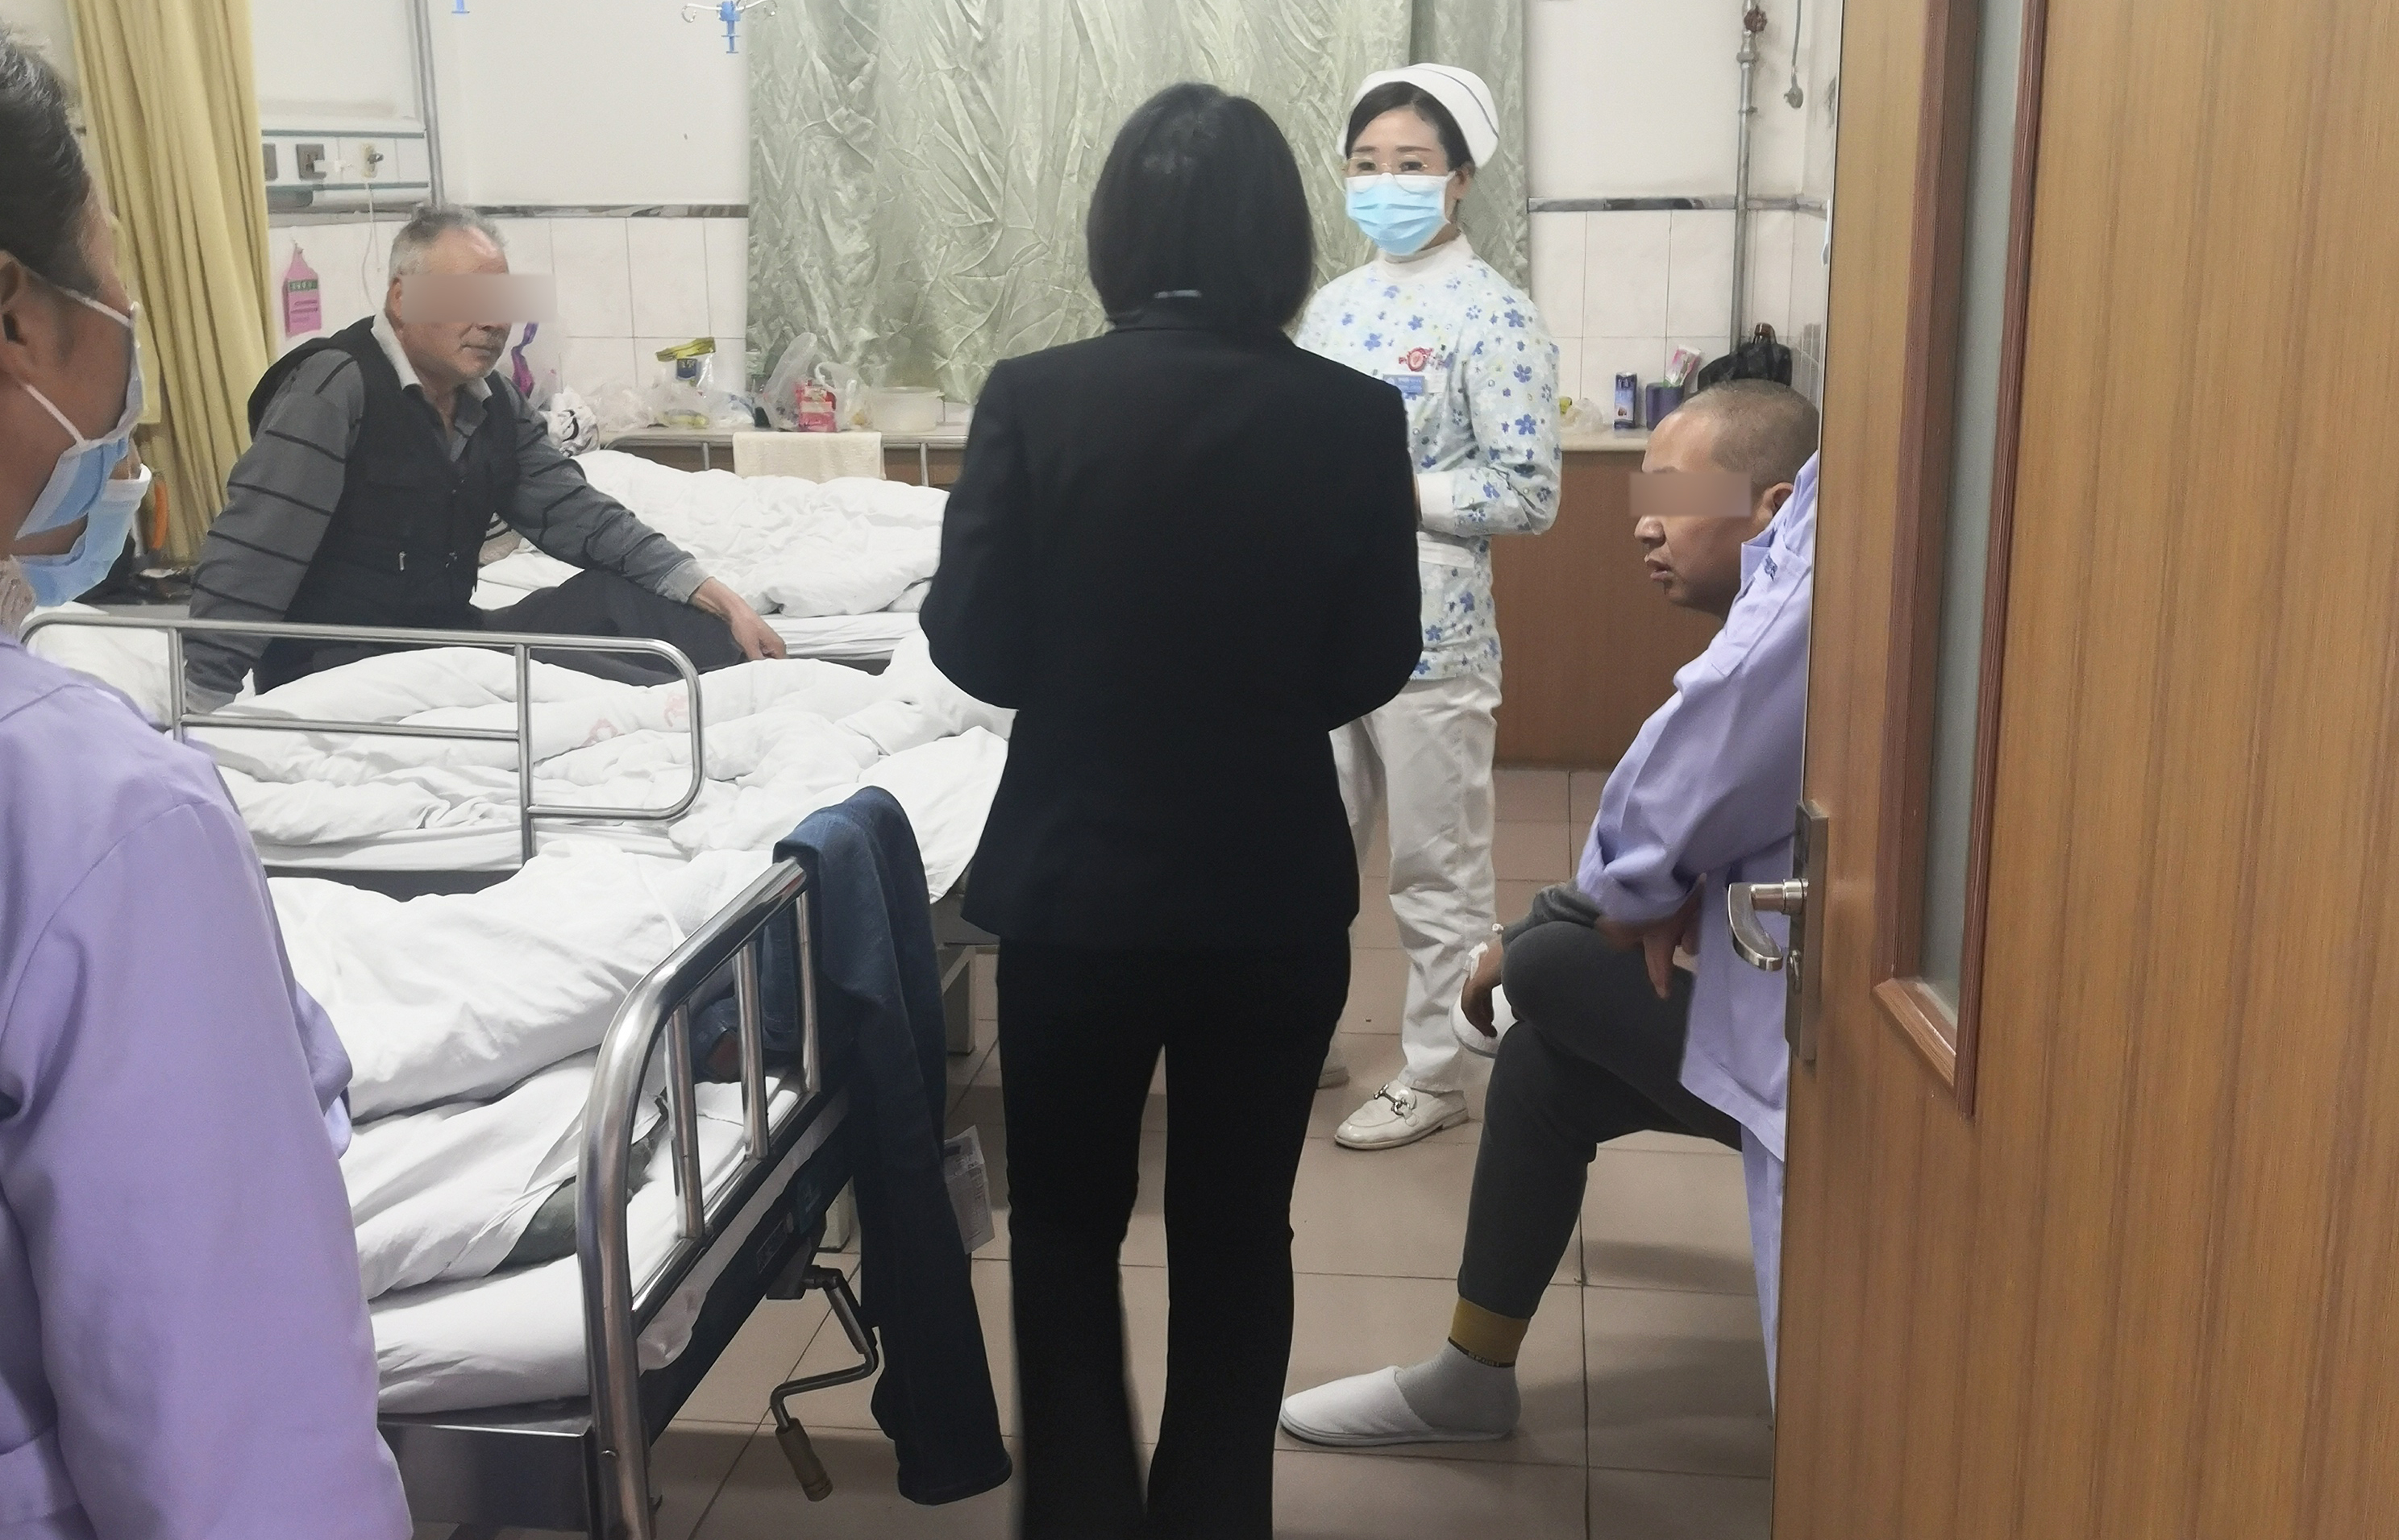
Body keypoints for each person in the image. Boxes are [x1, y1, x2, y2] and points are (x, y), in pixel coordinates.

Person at [921, 83, 1420, 1540]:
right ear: (1283, 239)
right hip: (1270, 884)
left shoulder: (1032, 396)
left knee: (1066, 1228)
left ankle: (1079, 1516)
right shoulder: (1352, 415)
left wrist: (1093, 676)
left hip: (1076, 885)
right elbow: (1376, 656)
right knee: (1237, 1230)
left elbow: (973, 644)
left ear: (1114, 235)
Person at [0, 32, 410, 1536]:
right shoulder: (93, 820)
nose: (134, 339)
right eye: (116, 283)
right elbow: (238, 1461)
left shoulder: (487, 412)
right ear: (16, 315)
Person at [1279, 380, 1817, 1446]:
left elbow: (1644, 833)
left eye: (1676, 494)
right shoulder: (1796, 599)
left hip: (1820, 1056)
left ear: (1774, 506)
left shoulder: (1794, 623)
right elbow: (1659, 845)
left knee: (1547, 972)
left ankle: (1467, 1380)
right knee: (1544, 1062)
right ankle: (1470, 1377)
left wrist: (1519, 942)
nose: (1646, 525)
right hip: (1773, 1000)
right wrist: (1652, 893)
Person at [183, 203, 783, 709]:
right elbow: (254, 548)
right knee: (619, 686)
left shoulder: (491, 399)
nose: (495, 321)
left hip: (447, 641)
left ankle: (762, 690)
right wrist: (204, 706)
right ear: (402, 298)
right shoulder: (335, 386)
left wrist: (720, 597)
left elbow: (580, 515)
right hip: (346, 665)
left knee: (631, 603)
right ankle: (695, 712)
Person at [1298, 64, 1564, 1151]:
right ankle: (1303, 1035)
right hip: (1316, 636)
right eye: (1367, 164)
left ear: (1459, 179)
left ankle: (1437, 1070)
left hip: (1431, 640)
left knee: (1435, 870)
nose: (1386, 183)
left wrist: (1395, 492)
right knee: (1307, 856)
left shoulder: (1492, 314)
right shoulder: (1332, 307)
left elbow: (1530, 491)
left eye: (1411, 164)